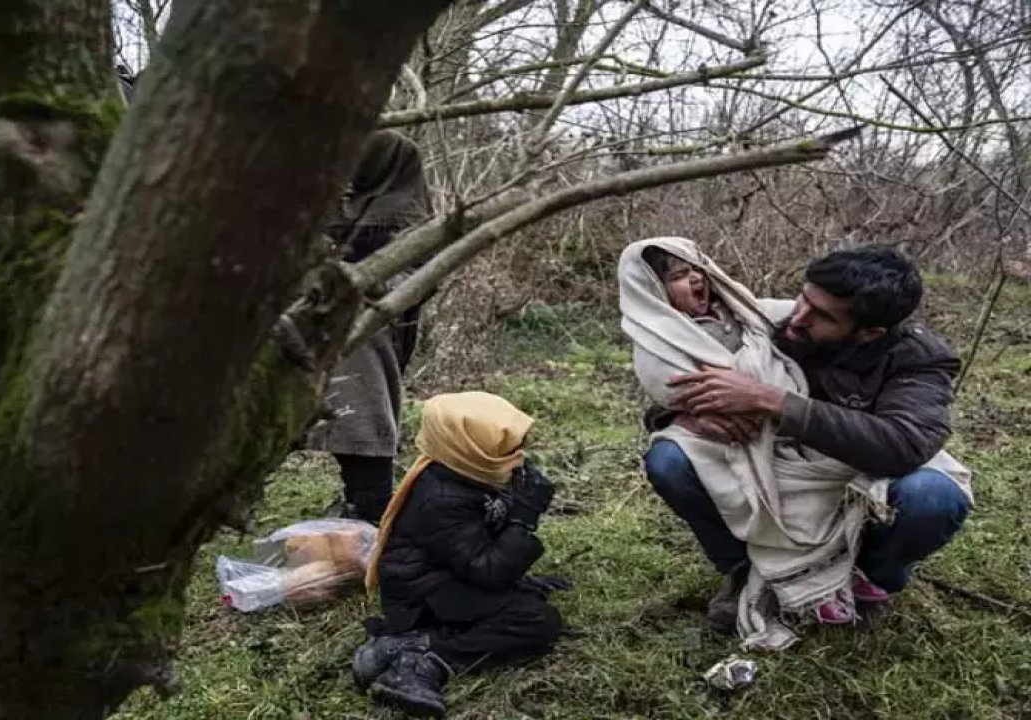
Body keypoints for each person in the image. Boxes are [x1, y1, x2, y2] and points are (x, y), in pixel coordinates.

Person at [633, 241, 972, 636]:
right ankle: (744, 570)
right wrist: (681, 412)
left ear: (868, 332)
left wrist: (775, 402)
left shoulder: (917, 355)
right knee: (669, 460)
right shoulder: (771, 319)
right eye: (803, 298)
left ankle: (870, 579)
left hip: (856, 477)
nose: (797, 318)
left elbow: (905, 443)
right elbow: (678, 382)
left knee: (934, 496)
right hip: (777, 467)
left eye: (821, 315)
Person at [354, 391, 567, 719]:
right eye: (507, 449)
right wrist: (524, 518)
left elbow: (478, 547)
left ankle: (413, 645)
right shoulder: (440, 498)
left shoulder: (473, 472)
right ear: (471, 448)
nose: (518, 457)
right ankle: (421, 654)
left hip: (448, 575)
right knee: (536, 621)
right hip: (421, 596)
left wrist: (520, 577)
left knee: (526, 603)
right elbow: (487, 570)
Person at [306, 130, 431, 524]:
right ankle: (362, 507)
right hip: (323, 331)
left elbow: (417, 278)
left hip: (371, 336)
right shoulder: (346, 206)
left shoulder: (407, 214)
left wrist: (362, 284)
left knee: (365, 424)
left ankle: (370, 509)